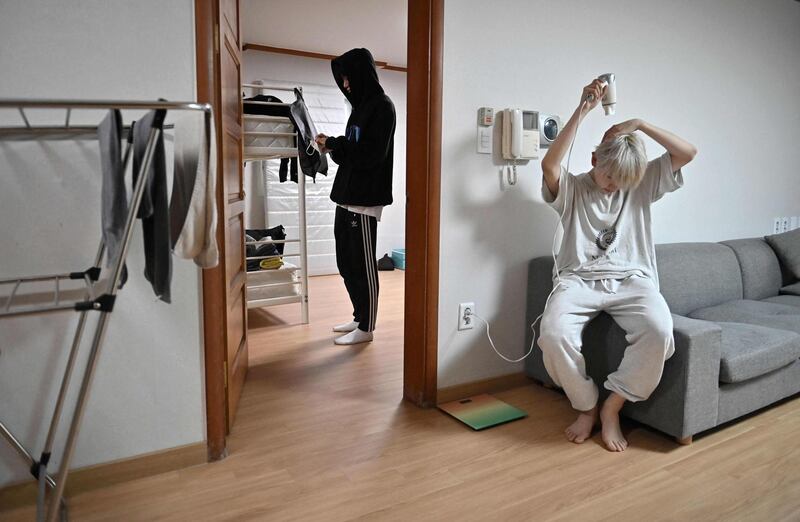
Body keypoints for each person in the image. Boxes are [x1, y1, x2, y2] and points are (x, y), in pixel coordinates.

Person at [537, 78, 698, 452]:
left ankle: (614, 405)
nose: (614, 186)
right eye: (610, 176)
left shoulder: (638, 185)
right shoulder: (574, 189)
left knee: (660, 331)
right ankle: (587, 405)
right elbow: (550, 163)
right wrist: (583, 109)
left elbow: (688, 152)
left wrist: (639, 124)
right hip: (578, 281)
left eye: (623, 180)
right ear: (594, 160)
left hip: (632, 279)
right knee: (554, 334)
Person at [315, 48, 396, 346]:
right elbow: (349, 156)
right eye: (343, 80)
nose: (345, 85)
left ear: (361, 75)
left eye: (348, 79)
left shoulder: (382, 108)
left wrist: (335, 144)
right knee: (346, 263)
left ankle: (367, 327)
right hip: (346, 196)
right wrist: (332, 147)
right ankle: (359, 316)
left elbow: (371, 156)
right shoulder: (359, 109)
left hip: (364, 200)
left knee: (363, 266)